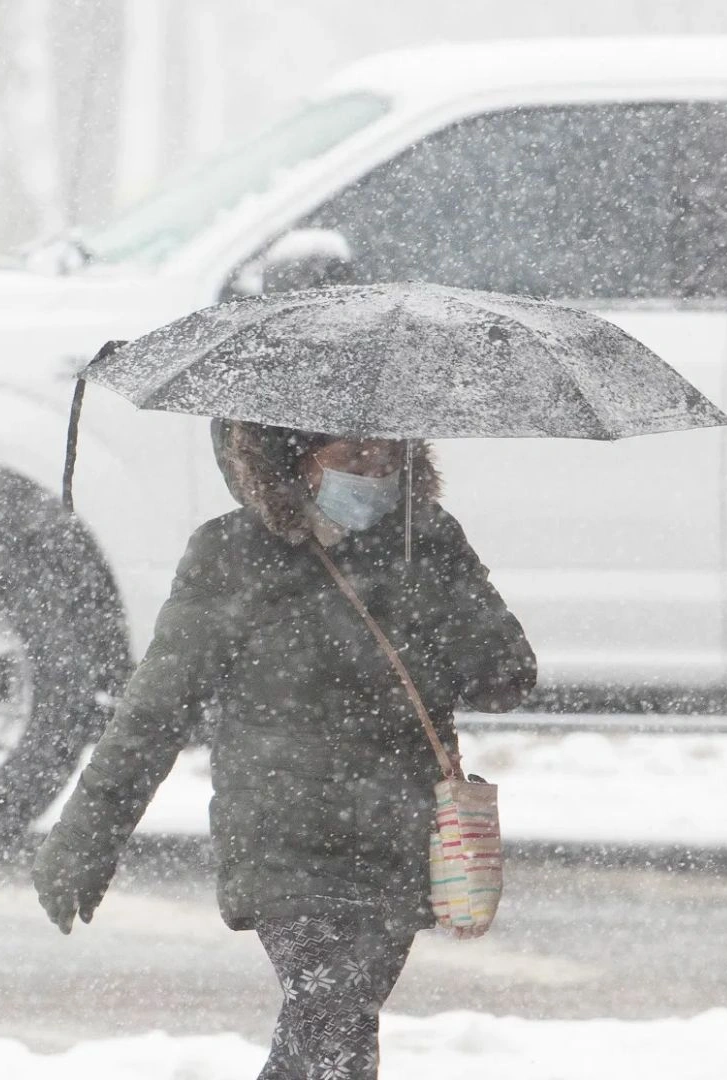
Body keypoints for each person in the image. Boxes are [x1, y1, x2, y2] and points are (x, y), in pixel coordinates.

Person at [31, 419, 537, 1080]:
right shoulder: (232, 553)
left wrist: (435, 600)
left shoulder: (429, 540)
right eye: (351, 453)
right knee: (336, 1036)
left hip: (398, 839)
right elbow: (156, 709)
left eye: (387, 454)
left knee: (319, 1040)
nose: (372, 470)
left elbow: (508, 677)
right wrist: (86, 838)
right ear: (294, 459)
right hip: (285, 845)